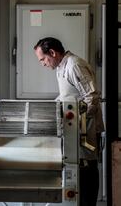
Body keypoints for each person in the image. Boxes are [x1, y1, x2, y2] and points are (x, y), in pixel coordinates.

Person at [33, 37, 104, 206]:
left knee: (87, 170)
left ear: (52, 52)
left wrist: (78, 122)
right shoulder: (61, 67)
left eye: (43, 59)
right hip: (75, 131)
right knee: (76, 172)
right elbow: (68, 96)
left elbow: (92, 98)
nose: (42, 63)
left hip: (85, 131)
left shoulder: (74, 65)